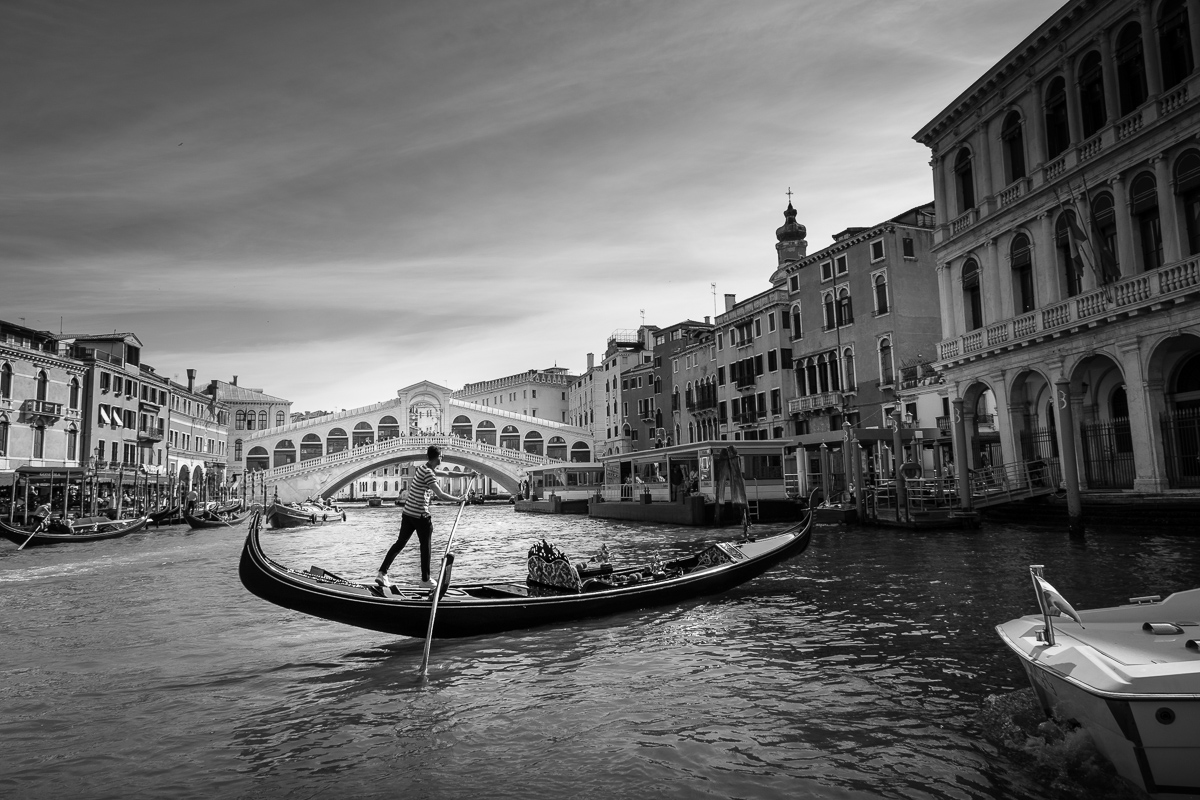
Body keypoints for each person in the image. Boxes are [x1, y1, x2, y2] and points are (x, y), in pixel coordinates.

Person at [376, 445, 476, 590]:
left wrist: (466, 475)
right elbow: (440, 494)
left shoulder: (424, 468)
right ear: (437, 457)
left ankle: (382, 573)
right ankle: (425, 579)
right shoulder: (429, 473)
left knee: (400, 543)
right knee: (426, 547)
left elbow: (447, 474)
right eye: (441, 455)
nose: (443, 457)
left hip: (408, 512)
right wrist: (459, 499)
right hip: (420, 515)